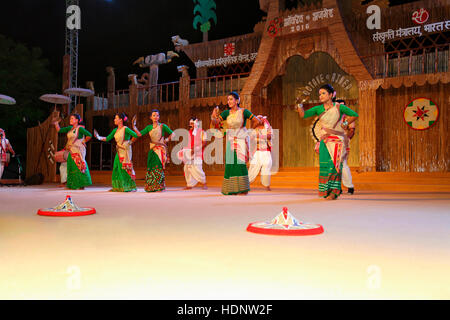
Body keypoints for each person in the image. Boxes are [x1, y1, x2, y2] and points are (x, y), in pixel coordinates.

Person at [296, 84, 358, 200]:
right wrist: (299, 104)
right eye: (319, 94)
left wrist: (344, 124)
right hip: (325, 140)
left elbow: (354, 115)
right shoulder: (318, 109)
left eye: (323, 93)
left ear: (331, 95)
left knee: (334, 166)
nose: (321, 96)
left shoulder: (339, 107)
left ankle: (334, 192)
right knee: (324, 166)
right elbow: (303, 115)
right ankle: (326, 191)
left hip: (336, 141)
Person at [210, 91, 261, 195]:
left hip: (241, 139)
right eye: (228, 99)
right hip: (230, 140)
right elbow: (216, 122)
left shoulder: (244, 112)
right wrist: (213, 115)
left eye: (231, 99)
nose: (228, 101)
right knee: (230, 163)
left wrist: (249, 132)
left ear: (237, 101)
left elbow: (257, 121)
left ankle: (243, 189)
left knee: (240, 163)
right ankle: (231, 189)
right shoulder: (225, 113)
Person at [132, 109, 174, 192]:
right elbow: (139, 134)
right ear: (150, 117)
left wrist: (167, 139)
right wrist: (134, 127)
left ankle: (159, 186)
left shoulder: (162, 126)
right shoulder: (149, 127)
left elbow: (173, 133)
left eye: (157, 115)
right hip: (152, 149)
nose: (156, 117)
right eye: (154, 115)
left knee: (158, 166)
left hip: (160, 149)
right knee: (151, 167)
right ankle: (151, 186)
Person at [94, 113, 138, 192]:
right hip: (119, 151)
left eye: (116, 118)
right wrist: (99, 137)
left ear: (121, 120)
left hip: (125, 150)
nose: (114, 120)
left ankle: (128, 186)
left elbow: (135, 135)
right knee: (116, 167)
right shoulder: (115, 130)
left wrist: (129, 142)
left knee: (124, 167)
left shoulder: (125, 129)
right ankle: (118, 186)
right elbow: (107, 138)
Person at [52, 114, 92, 190]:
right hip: (71, 150)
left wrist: (84, 141)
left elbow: (89, 135)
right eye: (70, 118)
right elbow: (59, 130)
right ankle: (72, 184)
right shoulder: (70, 128)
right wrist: (56, 123)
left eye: (72, 118)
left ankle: (81, 184)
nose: (70, 120)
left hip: (78, 150)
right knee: (71, 166)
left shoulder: (80, 129)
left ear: (77, 120)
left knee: (79, 166)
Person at [181, 117, 207, 190]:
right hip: (188, 153)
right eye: (190, 124)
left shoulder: (202, 132)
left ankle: (204, 183)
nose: (190, 125)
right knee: (187, 168)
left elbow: (205, 143)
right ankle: (189, 184)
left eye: (192, 123)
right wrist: (183, 149)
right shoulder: (189, 132)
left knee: (197, 168)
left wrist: (196, 149)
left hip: (197, 153)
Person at [248, 115, 273, 191]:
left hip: (266, 151)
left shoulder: (267, 127)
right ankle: (246, 183)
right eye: (258, 118)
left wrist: (260, 135)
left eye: (261, 118)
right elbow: (250, 138)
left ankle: (266, 185)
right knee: (253, 166)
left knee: (266, 166)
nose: (260, 120)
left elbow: (269, 136)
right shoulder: (254, 129)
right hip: (257, 151)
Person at [336, 99, 356, 195]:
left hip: (343, 143)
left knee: (343, 164)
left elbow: (351, 131)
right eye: (339, 105)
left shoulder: (347, 118)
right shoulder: (333, 118)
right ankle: (337, 187)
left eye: (343, 106)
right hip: (332, 143)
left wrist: (345, 137)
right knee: (334, 166)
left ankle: (350, 186)